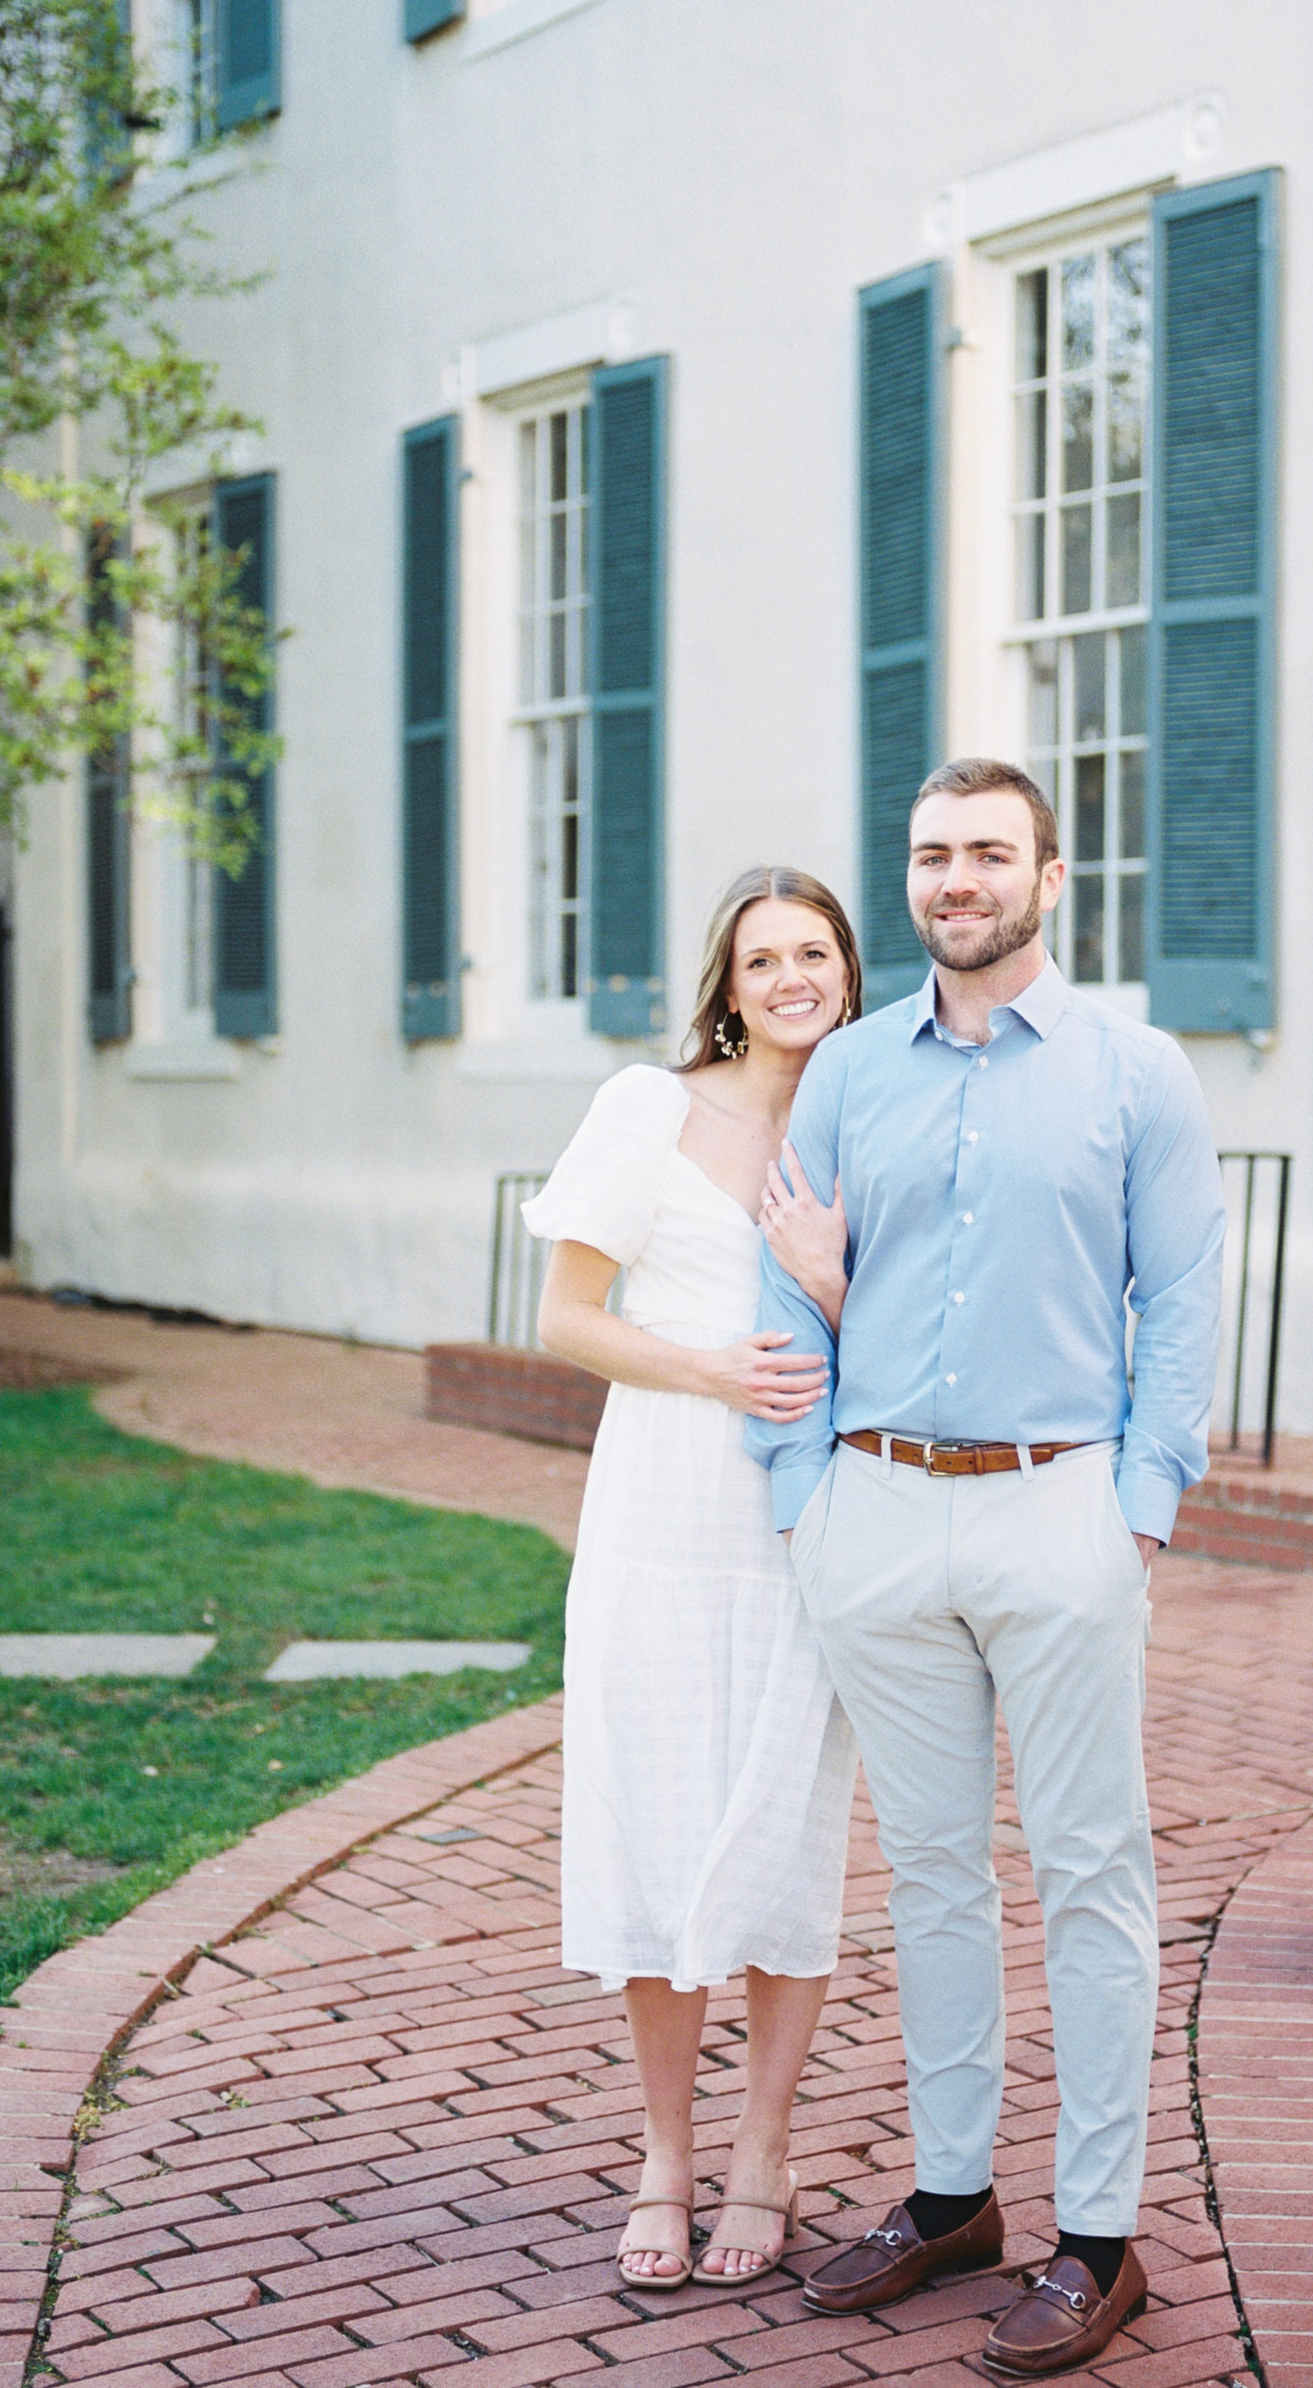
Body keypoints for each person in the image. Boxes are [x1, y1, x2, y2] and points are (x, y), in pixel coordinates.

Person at [746, 757, 1225, 2378]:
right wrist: (805, 1497)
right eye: (935, 853)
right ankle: (954, 2197)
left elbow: (1185, 1309)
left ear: (1049, 874)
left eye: (989, 853)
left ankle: (1100, 2237)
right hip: (874, 1513)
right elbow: (785, 1287)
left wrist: (1138, 1506)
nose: (959, 878)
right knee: (935, 1875)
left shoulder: (1135, 1073)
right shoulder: (848, 1074)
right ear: (913, 875)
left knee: (1092, 1871)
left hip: (1058, 1512)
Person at [524, 867, 861, 2291]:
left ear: (849, 969)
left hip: (810, 1524)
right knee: (659, 1822)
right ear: (727, 986)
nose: (792, 977)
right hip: (664, 1499)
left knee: (789, 1829)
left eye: (816, 952)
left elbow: (906, 1321)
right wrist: (714, 1369)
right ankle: (666, 2151)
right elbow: (563, 1320)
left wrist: (830, 1286)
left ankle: (764, 2154)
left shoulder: (869, 1117)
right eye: (763, 957)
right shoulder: (644, 1110)